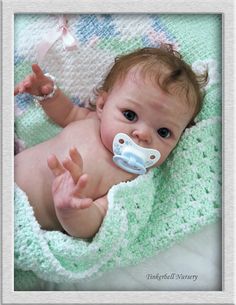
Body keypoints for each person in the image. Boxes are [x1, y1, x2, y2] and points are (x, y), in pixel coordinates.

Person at [14, 45, 207, 239]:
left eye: (164, 132)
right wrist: (48, 94)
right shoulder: (90, 120)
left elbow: (93, 223)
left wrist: (71, 209)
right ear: (102, 105)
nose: (142, 134)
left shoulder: (130, 183)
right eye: (130, 115)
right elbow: (66, 112)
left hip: (19, 220)